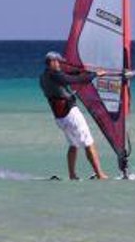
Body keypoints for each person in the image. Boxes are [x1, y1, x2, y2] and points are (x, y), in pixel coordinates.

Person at [39, 51, 109, 180]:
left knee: (74, 144)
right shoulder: (56, 75)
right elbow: (71, 80)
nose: (60, 64)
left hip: (60, 117)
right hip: (70, 114)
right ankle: (100, 174)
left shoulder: (44, 76)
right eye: (59, 62)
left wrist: (82, 72)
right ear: (52, 62)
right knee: (89, 142)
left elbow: (67, 76)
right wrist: (94, 74)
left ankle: (72, 175)